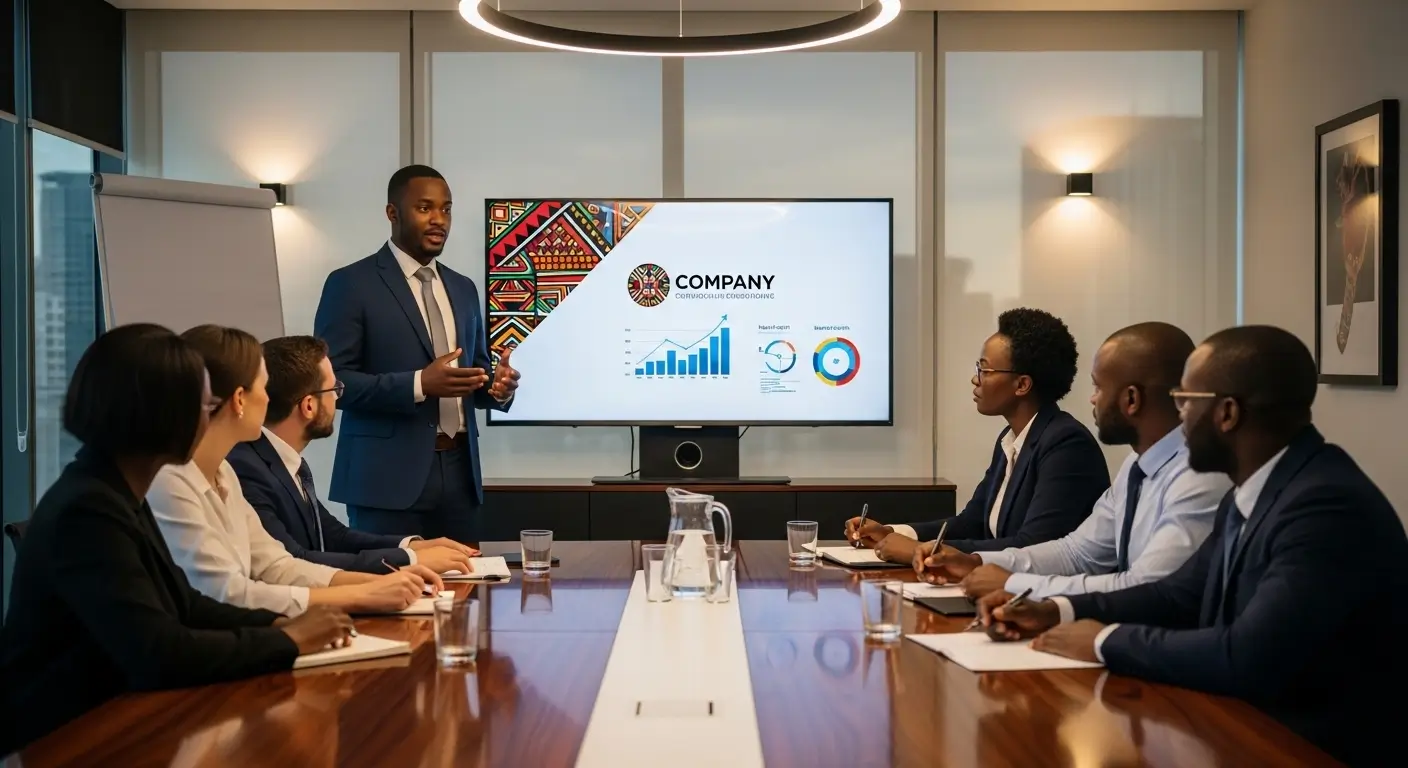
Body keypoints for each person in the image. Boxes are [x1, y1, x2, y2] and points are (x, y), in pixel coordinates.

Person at [976, 325, 1407, 767]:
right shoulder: (1259, 488)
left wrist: (1105, 640)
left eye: (1185, 402)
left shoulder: (1323, 507)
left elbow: (1245, 655)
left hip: (1309, 748)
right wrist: (1055, 610)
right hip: (1242, 729)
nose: (1176, 418)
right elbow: (1176, 593)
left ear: (1227, 414)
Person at [0, 325, 354, 754]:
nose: (210, 417)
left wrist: (282, 624)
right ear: (158, 412)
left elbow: (185, 604)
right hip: (73, 737)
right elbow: (158, 652)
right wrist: (289, 639)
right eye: (203, 404)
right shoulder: (88, 509)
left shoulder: (117, 489)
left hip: (122, 717)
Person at [914, 322, 1229, 600]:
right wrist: (978, 562)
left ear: (1131, 399)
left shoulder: (1201, 474)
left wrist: (1015, 583)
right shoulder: (1136, 465)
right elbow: (1078, 552)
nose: (1092, 398)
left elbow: (1146, 586)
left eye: (1098, 386)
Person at [148, 325, 441, 617]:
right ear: (239, 399)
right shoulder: (171, 480)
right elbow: (227, 593)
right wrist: (362, 594)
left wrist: (388, 582)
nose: (269, 398)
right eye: (263, 387)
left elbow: (276, 565)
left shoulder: (223, 471)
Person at [314, 165, 521, 541]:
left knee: (465, 591)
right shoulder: (350, 284)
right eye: (425, 208)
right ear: (393, 213)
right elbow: (332, 381)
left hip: (460, 474)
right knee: (394, 594)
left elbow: (473, 372)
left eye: (446, 209)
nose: (439, 220)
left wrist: (495, 387)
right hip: (384, 482)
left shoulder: (463, 288)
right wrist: (419, 383)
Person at [846, 308, 1109, 562]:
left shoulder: (1067, 445)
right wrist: (894, 534)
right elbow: (972, 523)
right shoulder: (1011, 439)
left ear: (1022, 385)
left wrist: (919, 550)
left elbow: (1034, 547)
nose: (976, 380)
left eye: (985, 370)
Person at [228, 335, 479, 575]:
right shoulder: (246, 470)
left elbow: (333, 535)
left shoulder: (283, 459)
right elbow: (294, 561)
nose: (338, 397)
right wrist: (411, 560)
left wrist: (411, 546)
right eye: (333, 388)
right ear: (308, 405)